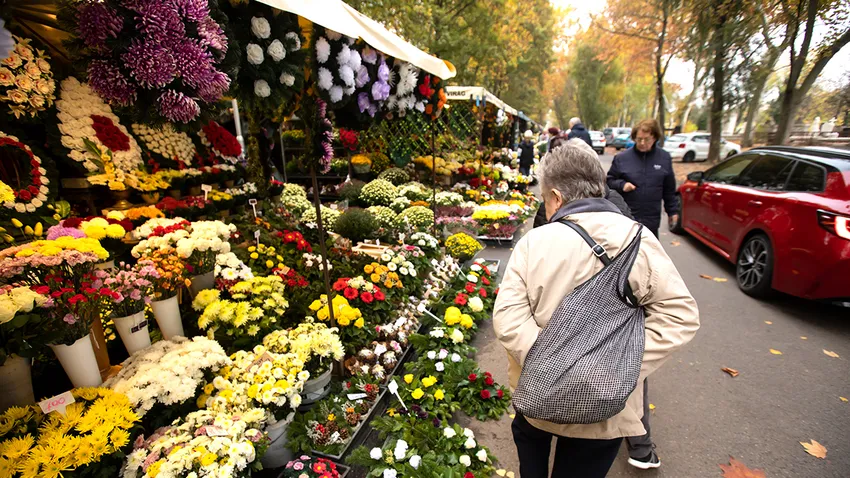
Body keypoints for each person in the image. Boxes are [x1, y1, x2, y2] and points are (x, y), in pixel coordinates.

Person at [494, 139, 699, 478]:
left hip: (536, 396)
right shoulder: (641, 240)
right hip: (605, 410)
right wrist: (614, 365)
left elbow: (508, 317)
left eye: (544, 198)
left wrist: (552, 366)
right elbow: (680, 315)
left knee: (531, 462)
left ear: (556, 197)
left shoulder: (535, 243)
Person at [606, 118, 678, 238]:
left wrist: (673, 211)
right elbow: (609, 181)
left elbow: (669, 189)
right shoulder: (622, 158)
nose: (642, 143)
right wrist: (622, 185)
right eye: (639, 139)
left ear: (655, 138)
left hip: (651, 221)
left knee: (650, 255)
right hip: (627, 218)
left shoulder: (664, 158)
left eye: (647, 139)